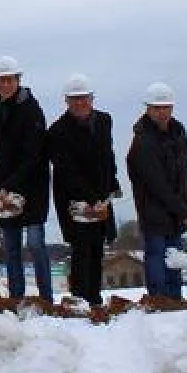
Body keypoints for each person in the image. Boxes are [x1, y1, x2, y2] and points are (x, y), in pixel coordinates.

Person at [0, 56, 53, 303]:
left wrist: (9, 184)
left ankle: (46, 299)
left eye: (10, 80)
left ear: (18, 80)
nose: (5, 84)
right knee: (11, 247)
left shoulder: (31, 109)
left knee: (35, 244)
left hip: (33, 186)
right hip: (5, 189)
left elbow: (34, 154)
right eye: (1, 80)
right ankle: (16, 299)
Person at [48, 74, 120, 307]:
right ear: (66, 101)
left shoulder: (104, 121)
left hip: (101, 195)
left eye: (84, 98)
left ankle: (95, 299)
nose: (80, 103)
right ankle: (80, 299)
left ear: (91, 99)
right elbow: (66, 170)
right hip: (74, 199)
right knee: (81, 249)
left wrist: (113, 184)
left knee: (98, 248)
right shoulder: (57, 131)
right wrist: (91, 198)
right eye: (74, 99)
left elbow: (108, 156)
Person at [127, 82, 187, 300]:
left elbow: (183, 167)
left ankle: (175, 299)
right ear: (148, 109)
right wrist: (182, 209)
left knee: (174, 256)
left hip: (175, 210)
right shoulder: (142, 141)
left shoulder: (178, 132)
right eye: (156, 108)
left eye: (166, 107)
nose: (162, 112)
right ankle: (159, 299)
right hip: (153, 209)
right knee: (157, 256)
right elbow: (156, 184)